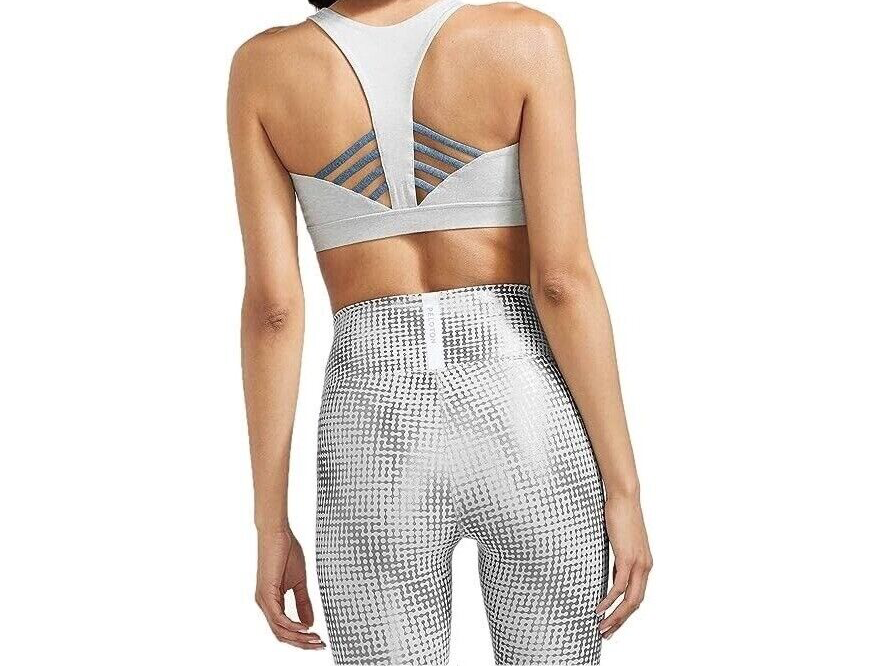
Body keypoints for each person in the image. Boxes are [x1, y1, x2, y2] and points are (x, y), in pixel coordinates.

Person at [227, 1, 652, 663]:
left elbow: (274, 311)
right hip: (524, 412)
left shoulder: (265, 67)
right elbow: (561, 282)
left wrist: (270, 522)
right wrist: (624, 492)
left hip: (372, 429)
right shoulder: (523, 38)